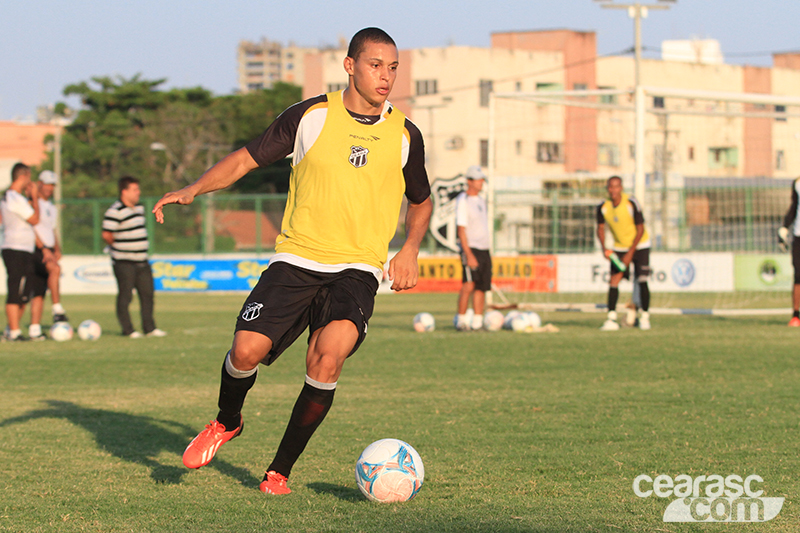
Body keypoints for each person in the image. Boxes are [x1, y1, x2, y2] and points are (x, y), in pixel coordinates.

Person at [152, 27, 432, 496]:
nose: (386, 76)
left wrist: (410, 249)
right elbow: (245, 159)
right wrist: (194, 188)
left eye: (393, 68)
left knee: (328, 358)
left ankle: (278, 472)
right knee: (245, 351)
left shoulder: (405, 134)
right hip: (297, 258)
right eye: (375, 65)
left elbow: (421, 200)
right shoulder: (310, 116)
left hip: (357, 269)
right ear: (350, 66)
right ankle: (227, 421)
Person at [102, 176, 166, 338]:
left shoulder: (139, 209)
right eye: (135, 189)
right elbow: (107, 234)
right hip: (124, 261)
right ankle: (128, 330)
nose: (138, 192)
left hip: (142, 260)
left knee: (147, 295)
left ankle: (149, 328)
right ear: (124, 191)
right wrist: (119, 246)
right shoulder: (115, 211)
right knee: (126, 296)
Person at [596, 175, 651, 331]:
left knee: (642, 279)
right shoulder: (603, 207)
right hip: (619, 247)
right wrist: (604, 248)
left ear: (621, 188)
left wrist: (630, 253)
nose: (613, 190)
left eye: (616, 187)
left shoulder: (631, 202)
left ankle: (645, 317)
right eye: (610, 187)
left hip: (640, 245)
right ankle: (611, 319)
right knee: (614, 280)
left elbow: (640, 229)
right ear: (607, 189)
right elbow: (600, 228)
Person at [1, 163, 40, 341]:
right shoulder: (13, 197)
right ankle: (14, 332)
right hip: (14, 248)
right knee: (15, 289)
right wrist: (35, 197)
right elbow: (35, 219)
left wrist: (30, 198)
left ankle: (11, 328)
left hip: (24, 248)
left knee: (25, 292)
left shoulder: (17, 198)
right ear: (23, 176)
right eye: (29, 177)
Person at [30, 170, 69, 335]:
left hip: (49, 249)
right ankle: (57, 308)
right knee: (55, 269)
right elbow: (31, 228)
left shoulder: (51, 207)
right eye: (47, 184)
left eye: (53, 185)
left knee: (39, 291)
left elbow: (52, 229)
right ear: (39, 183)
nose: (50, 188)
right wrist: (44, 249)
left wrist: (57, 249)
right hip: (37, 248)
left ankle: (34, 329)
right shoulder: (32, 203)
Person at [454, 165, 492, 331]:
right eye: (477, 179)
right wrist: (468, 253)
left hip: (484, 248)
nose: (481, 182)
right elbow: (461, 229)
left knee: (481, 286)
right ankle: (461, 320)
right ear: (469, 181)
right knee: (468, 284)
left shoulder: (481, 200)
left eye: (482, 179)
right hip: (471, 248)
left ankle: (477, 322)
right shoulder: (463, 200)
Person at [778, 177, 800, 326]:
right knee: (798, 275)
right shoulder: (797, 183)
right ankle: (796, 315)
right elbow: (794, 207)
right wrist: (785, 227)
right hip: (798, 236)